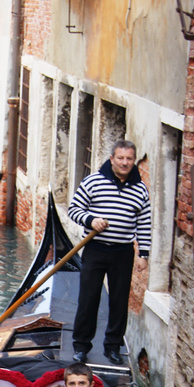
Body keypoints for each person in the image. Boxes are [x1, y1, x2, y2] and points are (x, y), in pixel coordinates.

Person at [68, 139, 152, 366]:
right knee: (88, 299)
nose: (125, 163)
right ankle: (81, 347)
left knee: (118, 301)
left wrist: (143, 254)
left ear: (133, 161)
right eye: (121, 158)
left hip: (123, 252)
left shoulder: (140, 188)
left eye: (129, 159)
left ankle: (113, 347)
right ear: (112, 159)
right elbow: (73, 209)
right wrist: (91, 220)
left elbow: (144, 224)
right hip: (95, 249)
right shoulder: (94, 182)